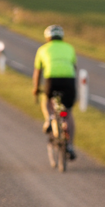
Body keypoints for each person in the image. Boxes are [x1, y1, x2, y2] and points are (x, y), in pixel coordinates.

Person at [32, 24, 77, 159]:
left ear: (47, 37)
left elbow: (37, 72)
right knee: (67, 112)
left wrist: (36, 88)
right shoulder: (69, 47)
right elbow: (74, 68)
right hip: (69, 81)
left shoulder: (43, 49)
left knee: (47, 100)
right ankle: (70, 145)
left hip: (52, 80)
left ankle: (49, 119)